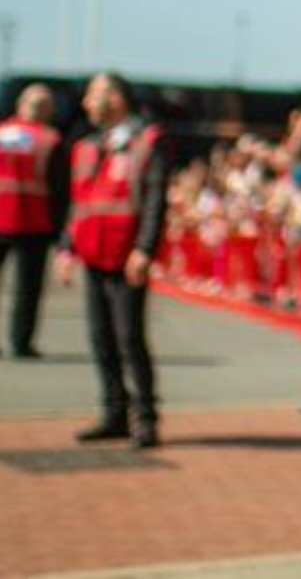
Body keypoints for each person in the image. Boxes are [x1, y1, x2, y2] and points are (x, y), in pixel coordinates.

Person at [57, 73, 170, 450]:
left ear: (119, 98)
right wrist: (66, 247)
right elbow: (80, 202)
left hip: (126, 256)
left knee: (129, 339)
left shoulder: (146, 142)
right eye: (89, 93)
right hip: (93, 253)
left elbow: (155, 200)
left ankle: (146, 419)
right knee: (100, 339)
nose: (90, 100)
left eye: (99, 92)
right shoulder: (86, 147)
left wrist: (145, 249)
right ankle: (114, 413)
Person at [0, 83, 68, 358]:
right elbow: (61, 189)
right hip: (34, 223)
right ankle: (20, 342)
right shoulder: (50, 140)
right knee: (28, 290)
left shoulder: (3, 133)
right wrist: (60, 227)